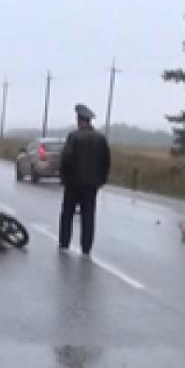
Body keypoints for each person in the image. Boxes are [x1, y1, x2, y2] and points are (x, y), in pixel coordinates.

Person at [59, 103, 111, 255]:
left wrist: (64, 177)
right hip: (91, 184)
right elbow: (106, 161)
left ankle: (64, 242)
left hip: (73, 183)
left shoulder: (73, 137)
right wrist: (101, 180)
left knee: (67, 214)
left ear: (80, 120)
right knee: (88, 216)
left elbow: (66, 158)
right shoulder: (101, 139)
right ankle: (86, 247)